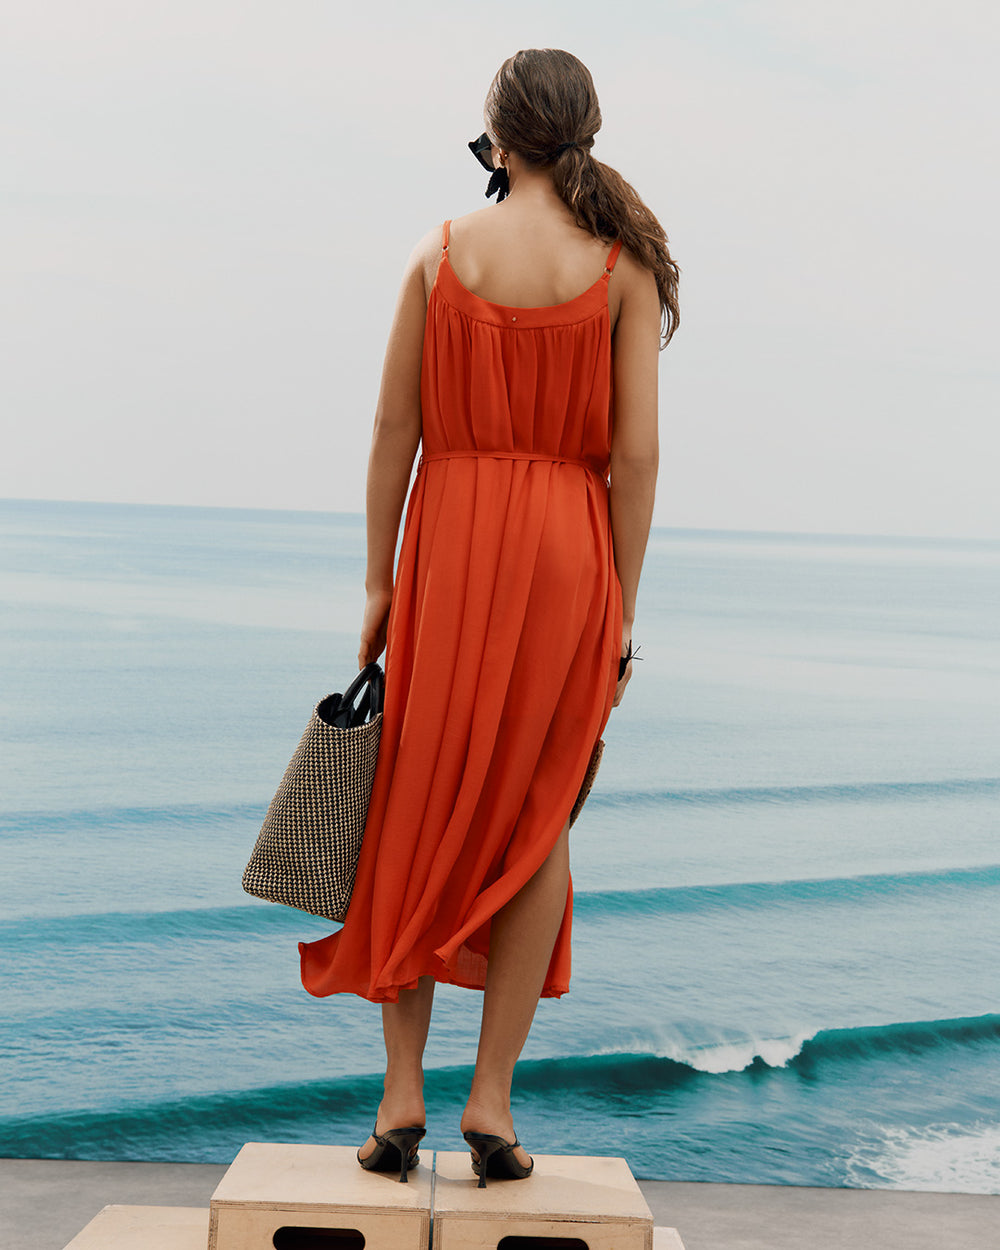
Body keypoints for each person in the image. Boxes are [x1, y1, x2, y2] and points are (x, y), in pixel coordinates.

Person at [298, 47, 679, 1187]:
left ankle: (399, 1092)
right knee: (537, 818)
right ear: (586, 134)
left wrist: (377, 586)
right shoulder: (619, 271)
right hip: (568, 558)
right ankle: (492, 1103)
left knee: (414, 800)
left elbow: (389, 436)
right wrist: (618, 610)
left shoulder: (439, 253)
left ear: (496, 136)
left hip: (450, 544)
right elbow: (637, 458)